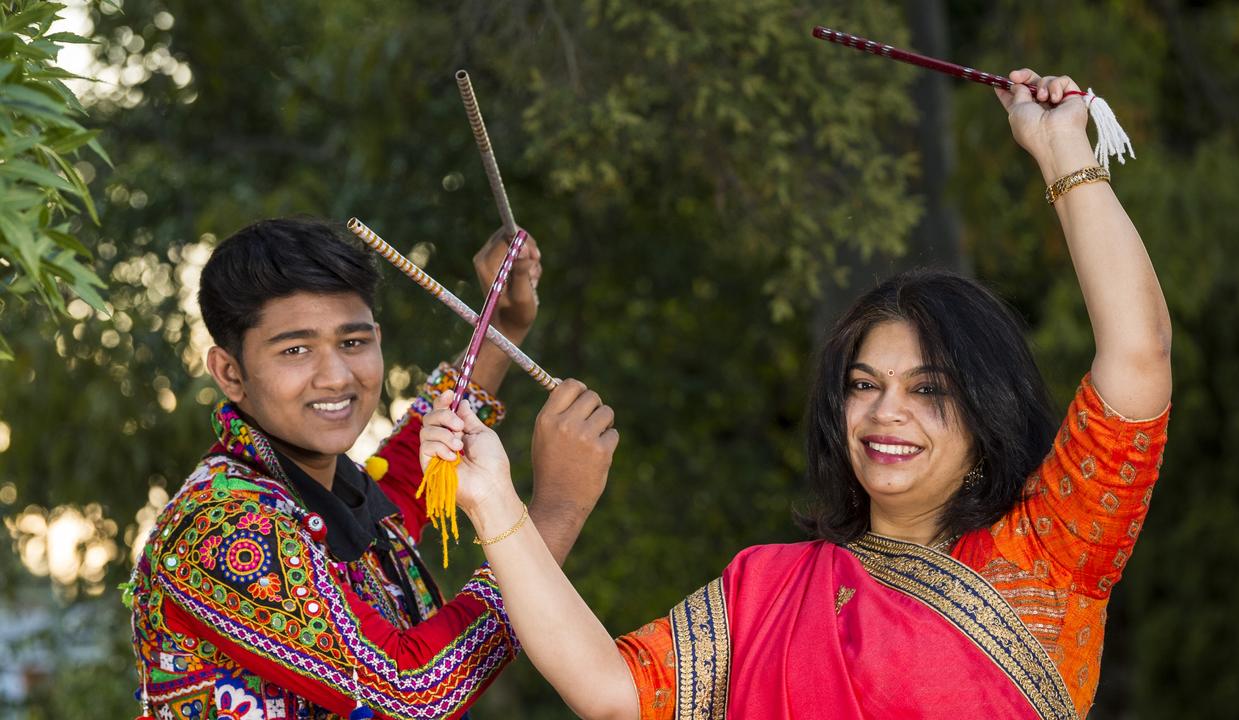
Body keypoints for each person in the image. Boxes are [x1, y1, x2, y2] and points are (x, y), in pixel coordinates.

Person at [419, 69, 1172, 720]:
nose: (886, 413)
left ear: (987, 414)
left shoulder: (1049, 553)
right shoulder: (772, 587)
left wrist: (1063, 148)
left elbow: (1138, 356)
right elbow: (615, 691)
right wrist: (496, 503)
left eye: (928, 390)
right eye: (863, 386)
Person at [126, 218, 619, 719]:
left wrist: (502, 328)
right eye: (295, 350)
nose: (336, 376)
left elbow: (410, 476)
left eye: (353, 342)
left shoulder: (319, 491)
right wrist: (557, 509)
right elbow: (410, 694)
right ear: (230, 372)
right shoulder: (221, 529)